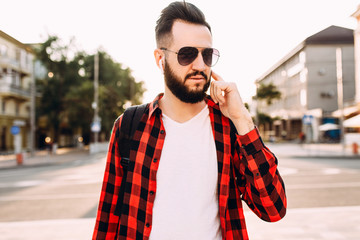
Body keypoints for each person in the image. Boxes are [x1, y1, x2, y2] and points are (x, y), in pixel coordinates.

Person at [93, 1, 287, 239]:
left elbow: (273, 209)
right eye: (187, 54)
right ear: (160, 59)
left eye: (207, 54)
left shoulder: (228, 126)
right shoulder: (130, 125)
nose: (200, 65)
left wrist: (242, 119)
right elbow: (107, 220)